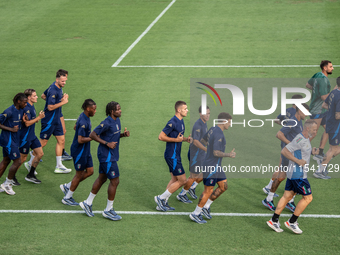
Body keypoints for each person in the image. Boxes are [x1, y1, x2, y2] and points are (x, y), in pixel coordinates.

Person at [79, 101, 130, 221]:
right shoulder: (106, 122)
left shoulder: (117, 120)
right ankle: (108, 210)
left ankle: (87, 203)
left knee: (102, 178)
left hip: (109, 155)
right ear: (112, 111)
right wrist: (106, 143)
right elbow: (92, 134)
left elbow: (112, 136)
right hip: (106, 156)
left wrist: (123, 135)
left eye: (120, 108)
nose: (120, 110)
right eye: (118, 109)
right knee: (115, 181)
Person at [267, 119, 318, 234]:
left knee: (287, 196)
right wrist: (298, 161)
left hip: (294, 173)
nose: (316, 132)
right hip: (298, 174)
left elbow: (302, 150)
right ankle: (292, 222)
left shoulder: (305, 139)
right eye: (314, 129)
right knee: (308, 198)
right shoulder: (299, 139)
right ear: (308, 128)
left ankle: (274, 220)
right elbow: (285, 151)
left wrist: (311, 152)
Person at [189, 112, 235, 224]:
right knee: (208, 190)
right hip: (211, 166)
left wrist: (208, 149)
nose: (230, 124)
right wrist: (229, 154)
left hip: (216, 166)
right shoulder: (219, 134)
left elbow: (203, 141)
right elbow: (216, 152)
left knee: (223, 186)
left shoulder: (212, 129)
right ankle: (196, 213)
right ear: (224, 121)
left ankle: (206, 206)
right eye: (229, 122)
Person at [262, 104, 309, 213]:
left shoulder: (299, 121)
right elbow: (279, 134)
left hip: (292, 154)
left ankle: (270, 199)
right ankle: (288, 201)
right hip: (289, 154)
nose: (306, 114)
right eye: (305, 111)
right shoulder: (293, 121)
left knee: (283, 177)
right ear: (299, 111)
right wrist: (291, 145)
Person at [154, 101, 191, 212]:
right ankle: (160, 198)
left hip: (175, 155)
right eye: (185, 108)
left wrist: (185, 139)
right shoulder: (172, 122)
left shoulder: (181, 121)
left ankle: (163, 203)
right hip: (172, 156)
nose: (187, 110)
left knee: (174, 179)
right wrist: (176, 140)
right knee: (183, 180)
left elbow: (178, 137)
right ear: (179, 110)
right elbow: (161, 137)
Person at [263, 95, 303, 197]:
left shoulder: (287, 110)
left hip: (285, 141)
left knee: (284, 168)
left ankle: (271, 187)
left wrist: (285, 127)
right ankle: (270, 187)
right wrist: (287, 128)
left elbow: (276, 120)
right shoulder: (296, 114)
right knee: (284, 169)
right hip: (289, 143)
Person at [60, 99, 97, 206]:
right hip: (79, 151)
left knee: (90, 171)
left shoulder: (84, 116)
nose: (95, 111)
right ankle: (67, 197)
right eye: (94, 109)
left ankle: (68, 186)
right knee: (79, 174)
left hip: (85, 150)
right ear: (88, 109)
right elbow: (80, 140)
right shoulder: (84, 122)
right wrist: (93, 137)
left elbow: (75, 127)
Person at [35, 69, 71, 173]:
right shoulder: (54, 90)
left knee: (61, 140)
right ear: (57, 79)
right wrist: (63, 102)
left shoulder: (57, 87)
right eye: (63, 81)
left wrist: (58, 101)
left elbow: (43, 95)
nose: (64, 83)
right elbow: (50, 107)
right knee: (43, 143)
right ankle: (31, 160)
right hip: (49, 120)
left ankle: (59, 166)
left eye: (65, 81)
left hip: (56, 119)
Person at [176, 106, 209, 205]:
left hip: (201, 154)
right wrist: (207, 149)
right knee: (193, 176)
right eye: (205, 113)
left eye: (209, 113)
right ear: (200, 114)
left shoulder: (204, 123)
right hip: (196, 155)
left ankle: (192, 187)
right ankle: (182, 194)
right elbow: (195, 142)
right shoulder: (198, 125)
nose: (207, 115)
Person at [306, 60, 335, 159]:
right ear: (325, 68)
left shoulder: (317, 74)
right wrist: (334, 96)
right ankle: (299, 149)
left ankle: (319, 152)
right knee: (313, 133)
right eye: (330, 67)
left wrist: (317, 92)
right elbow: (324, 97)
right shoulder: (323, 80)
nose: (333, 68)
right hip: (317, 109)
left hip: (323, 110)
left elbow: (308, 85)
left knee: (328, 128)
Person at [0, 93, 27, 195]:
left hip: (14, 140)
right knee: (17, 161)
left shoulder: (21, 110)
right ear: (18, 101)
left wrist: (24, 121)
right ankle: (7, 184)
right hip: (9, 141)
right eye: (24, 102)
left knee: (6, 160)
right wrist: (10, 129)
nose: (26, 104)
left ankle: (6, 184)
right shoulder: (9, 111)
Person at [315, 77, 340, 179]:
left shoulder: (334, 92)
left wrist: (333, 108)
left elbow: (325, 105)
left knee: (333, 150)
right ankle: (319, 171)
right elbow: (338, 116)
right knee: (332, 149)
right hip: (335, 126)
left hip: (332, 123)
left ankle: (324, 161)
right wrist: (335, 109)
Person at [18, 89, 45, 184]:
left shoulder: (32, 106)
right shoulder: (26, 108)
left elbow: (31, 120)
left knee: (40, 154)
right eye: (34, 95)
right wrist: (39, 118)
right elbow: (27, 124)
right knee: (22, 158)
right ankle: (11, 177)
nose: (37, 97)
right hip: (25, 137)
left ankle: (31, 175)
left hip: (32, 136)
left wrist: (37, 118)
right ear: (29, 97)